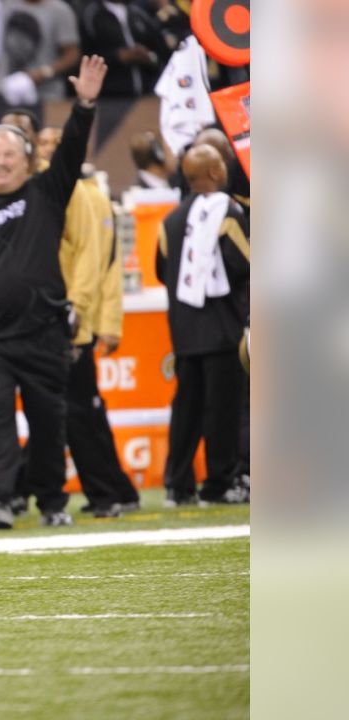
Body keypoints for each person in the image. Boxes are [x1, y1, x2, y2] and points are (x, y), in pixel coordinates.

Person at [0, 55, 109, 529]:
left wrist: (84, 104)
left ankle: (51, 501)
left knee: (50, 421)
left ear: (29, 161)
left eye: (10, 156)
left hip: (45, 331)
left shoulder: (47, 193)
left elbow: (70, 149)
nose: (2, 163)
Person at [38, 126, 141, 516]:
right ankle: (116, 489)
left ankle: (109, 492)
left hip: (74, 322)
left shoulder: (92, 198)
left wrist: (106, 321)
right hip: (48, 320)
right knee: (72, 411)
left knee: (81, 412)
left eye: (56, 145)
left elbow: (106, 264)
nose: (50, 152)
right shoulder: (39, 194)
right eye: (44, 145)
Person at [156, 144, 250, 507]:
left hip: (183, 329)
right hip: (222, 327)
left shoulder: (171, 219)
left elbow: (161, 269)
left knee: (186, 411)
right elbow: (246, 261)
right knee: (222, 410)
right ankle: (217, 484)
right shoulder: (229, 211)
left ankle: (177, 486)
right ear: (213, 173)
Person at [0, 0, 81, 104]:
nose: (19, 43)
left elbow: (72, 54)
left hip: (47, 96)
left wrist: (43, 73)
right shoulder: (3, 6)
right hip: (2, 92)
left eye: (23, 40)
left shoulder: (60, 11)